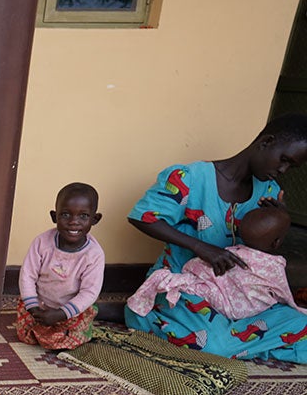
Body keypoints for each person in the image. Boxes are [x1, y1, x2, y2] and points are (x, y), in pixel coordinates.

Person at [124, 113, 307, 361]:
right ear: (266, 142)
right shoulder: (188, 178)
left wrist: (280, 223)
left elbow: (264, 252)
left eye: (291, 167)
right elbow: (142, 217)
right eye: (283, 160)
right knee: (214, 346)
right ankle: (147, 315)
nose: (283, 170)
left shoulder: (269, 192)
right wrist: (201, 247)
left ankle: (230, 340)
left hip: (243, 296)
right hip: (185, 288)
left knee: (300, 323)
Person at [127, 206, 307, 319]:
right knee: (290, 317)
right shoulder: (275, 265)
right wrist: (296, 307)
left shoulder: (232, 252)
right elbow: (284, 293)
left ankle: (166, 285)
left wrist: (189, 273)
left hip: (217, 301)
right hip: (243, 311)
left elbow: (201, 266)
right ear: (277, 243)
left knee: (195, 282)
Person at [16, 182, 105, 350]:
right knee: (25, 333)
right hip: (39, 304)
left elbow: (89, 292)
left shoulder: (94, 254)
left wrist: (61, 314)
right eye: (65, 214)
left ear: (95, 219)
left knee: (71, 338)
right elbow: (27, 275)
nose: (73, 222)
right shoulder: (42, 243)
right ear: (53, 216)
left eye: (83, 216)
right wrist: (33, 306)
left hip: (70, 310)